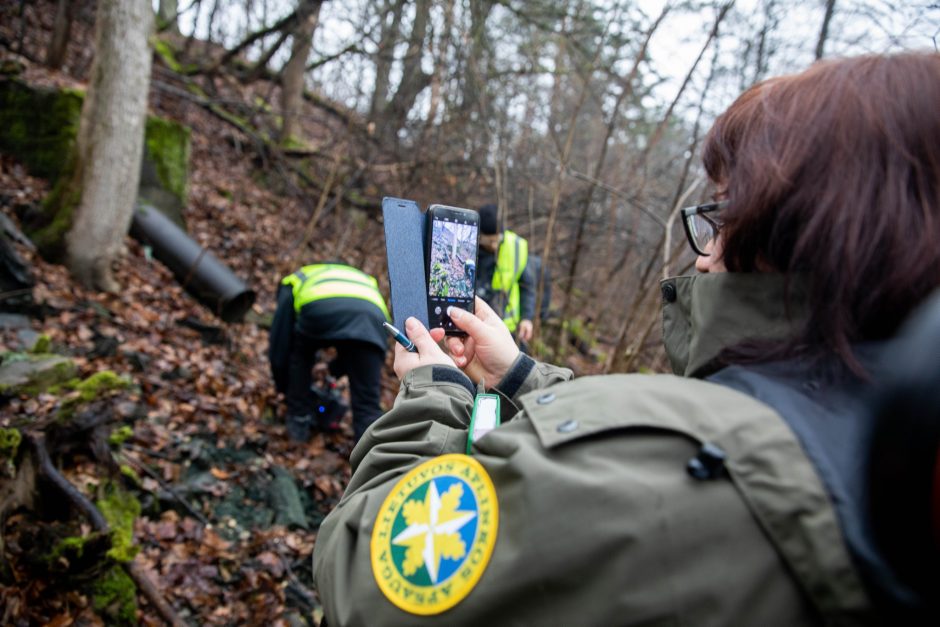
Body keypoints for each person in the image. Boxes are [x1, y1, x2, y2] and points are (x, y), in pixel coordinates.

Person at [312, 52, 939, 626]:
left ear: (811, 231)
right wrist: (520, 376)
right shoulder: (893, 430)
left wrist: (430, 395)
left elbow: (361, 583)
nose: (701, 259)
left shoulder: (667, 485)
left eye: (723, 216)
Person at [268, 262, 390, 443]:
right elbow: (353, 348)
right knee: (367, 405)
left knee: (301, 355)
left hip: (319, 310)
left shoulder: (294, 281)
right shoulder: (363, 280)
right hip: (374, 319)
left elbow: (280, 346)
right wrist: (333, 369)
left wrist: (285, 388)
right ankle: (372, 462)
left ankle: (298, 425)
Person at [473, 203, 536, 344]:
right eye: (489, 241)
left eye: (497, 240)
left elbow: (527, 287)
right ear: (479, 235)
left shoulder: (515, 249)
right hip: (473, 324)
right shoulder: (468, 246)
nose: (494, 245)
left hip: (506, 326)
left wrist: (526, 318)